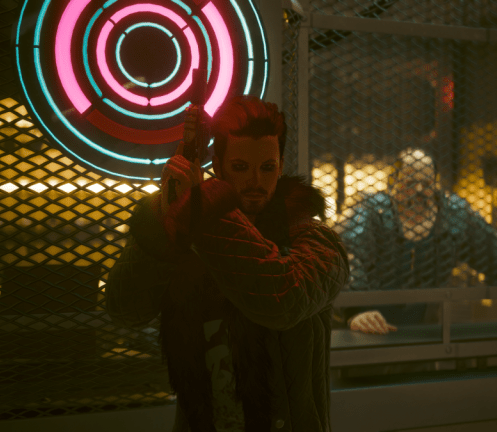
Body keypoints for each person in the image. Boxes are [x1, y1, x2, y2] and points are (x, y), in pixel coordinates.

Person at [105, 95, 349, 432]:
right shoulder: (196, 235)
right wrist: (166, 218)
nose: (255, 182)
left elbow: (282, 298)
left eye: (267, 168)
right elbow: (124, 308)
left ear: (280, 165)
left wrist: (202, 209)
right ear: (217, 166)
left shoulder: (314, 238)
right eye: (240, 167)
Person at [338, 148, 497, 335]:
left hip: (423, 329)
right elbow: (346, 255)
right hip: (365, 328)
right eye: (409, 183)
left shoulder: (455, 216)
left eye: (426, 184)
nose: (418, 192)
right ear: (392, 185)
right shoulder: (370, 212)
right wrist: (355, 309)